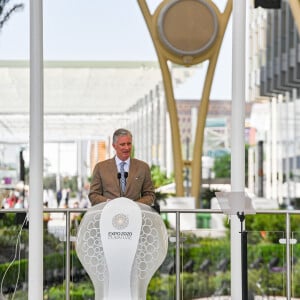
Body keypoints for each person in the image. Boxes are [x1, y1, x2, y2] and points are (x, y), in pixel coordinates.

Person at [88, 128, 156, 206]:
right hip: (108, 215)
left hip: (134, 215)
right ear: (114, 146)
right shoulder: (100, 168)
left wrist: (134, 205)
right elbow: (93, 195)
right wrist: (109, 203)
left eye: (129, 143)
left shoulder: (143, 167)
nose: (127, 148)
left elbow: (150, 195)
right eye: (122, 144)